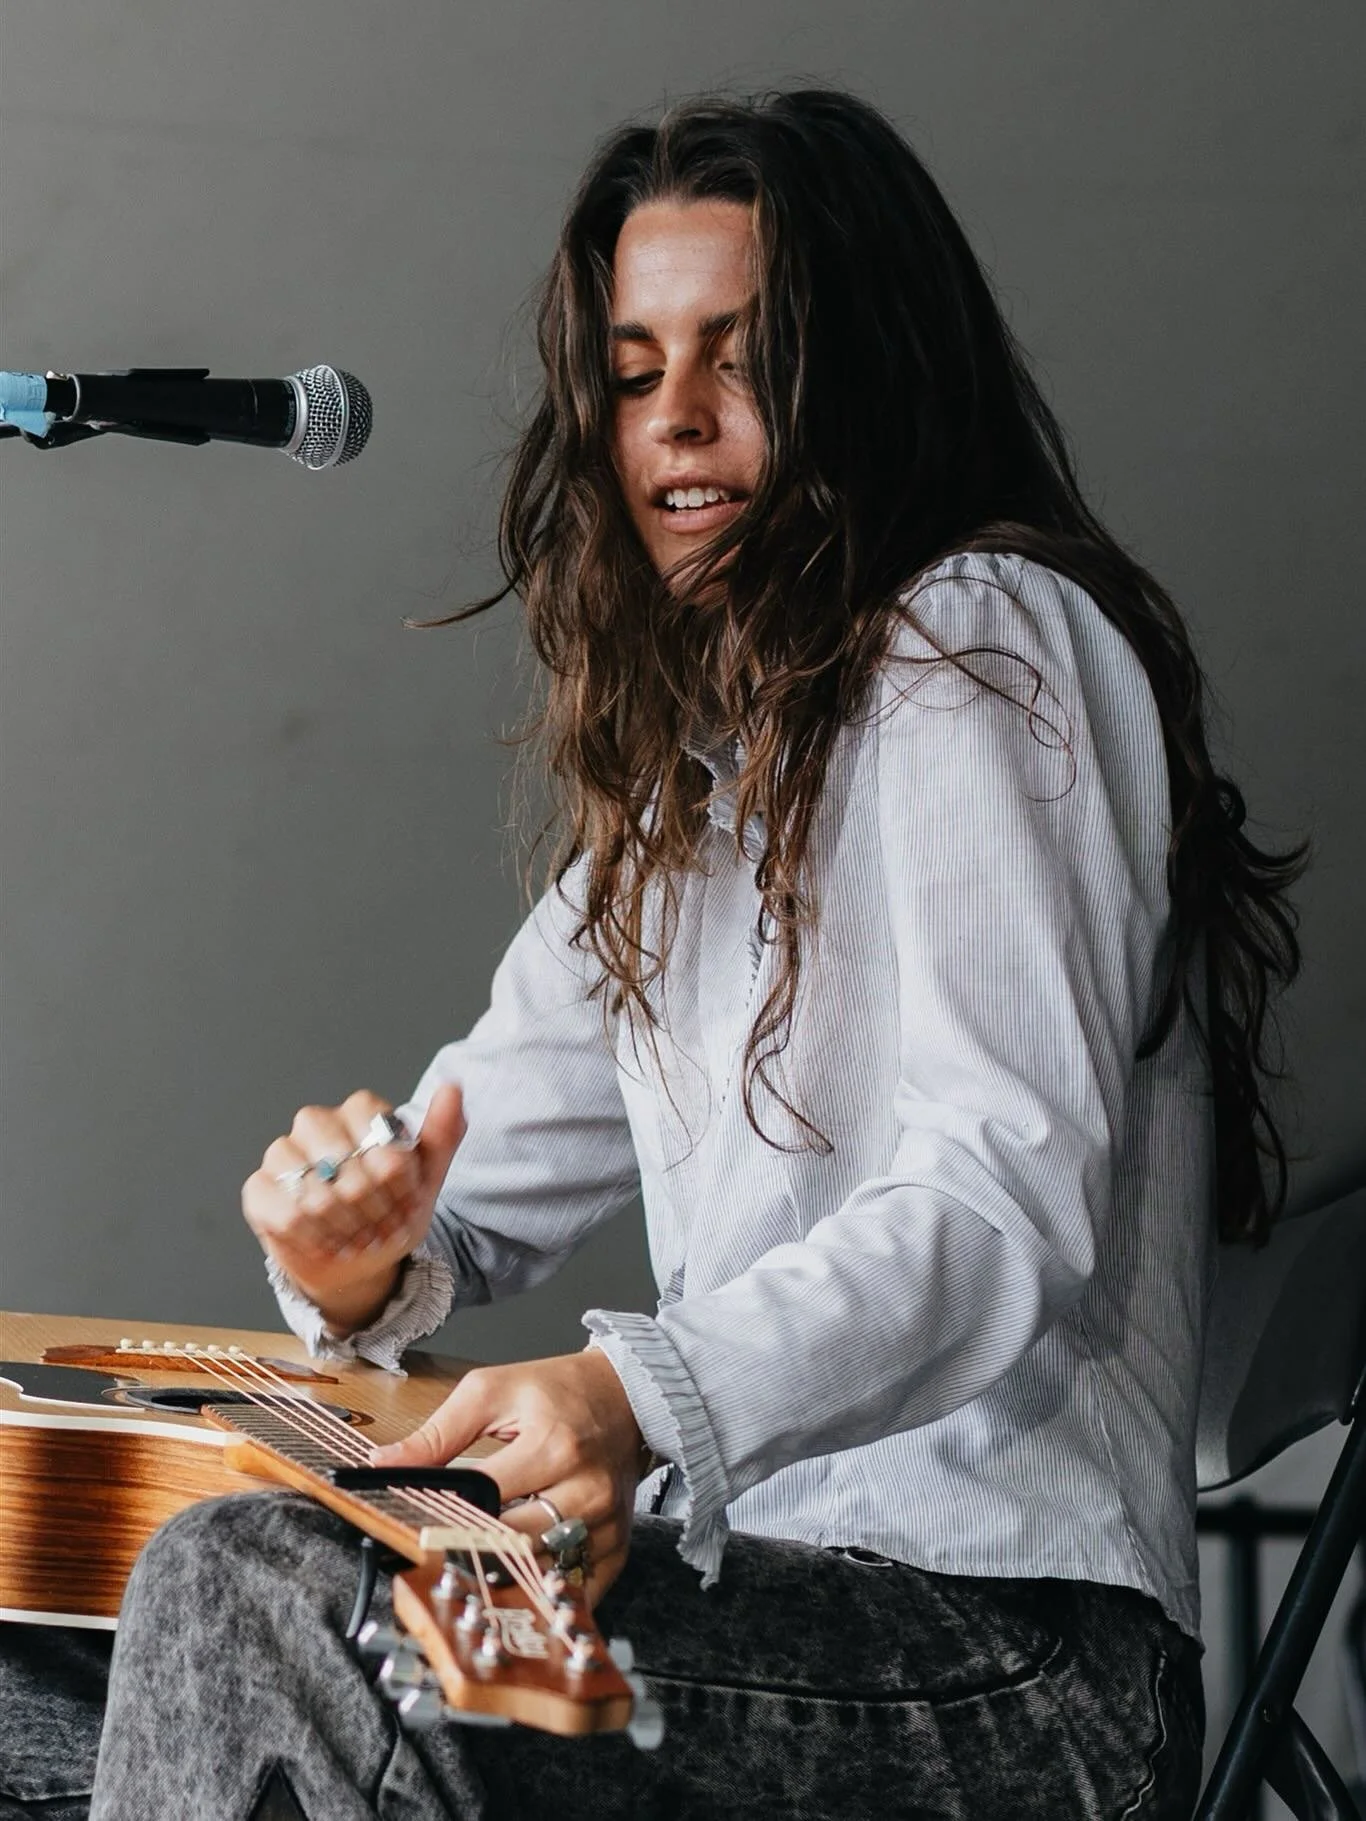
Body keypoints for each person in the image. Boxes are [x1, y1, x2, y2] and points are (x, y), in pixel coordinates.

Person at [3, 88, 1304, 1820]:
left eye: (738, 361)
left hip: (1009, 1670)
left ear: (868, 375)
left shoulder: (987, 644)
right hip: (746, 1603)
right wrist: (355, 1260)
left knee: (264, 1595)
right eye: (630, 376)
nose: (674, 424)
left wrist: (641, 1391)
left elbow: (999, 1199)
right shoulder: (699, 787)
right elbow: (460, 1191)